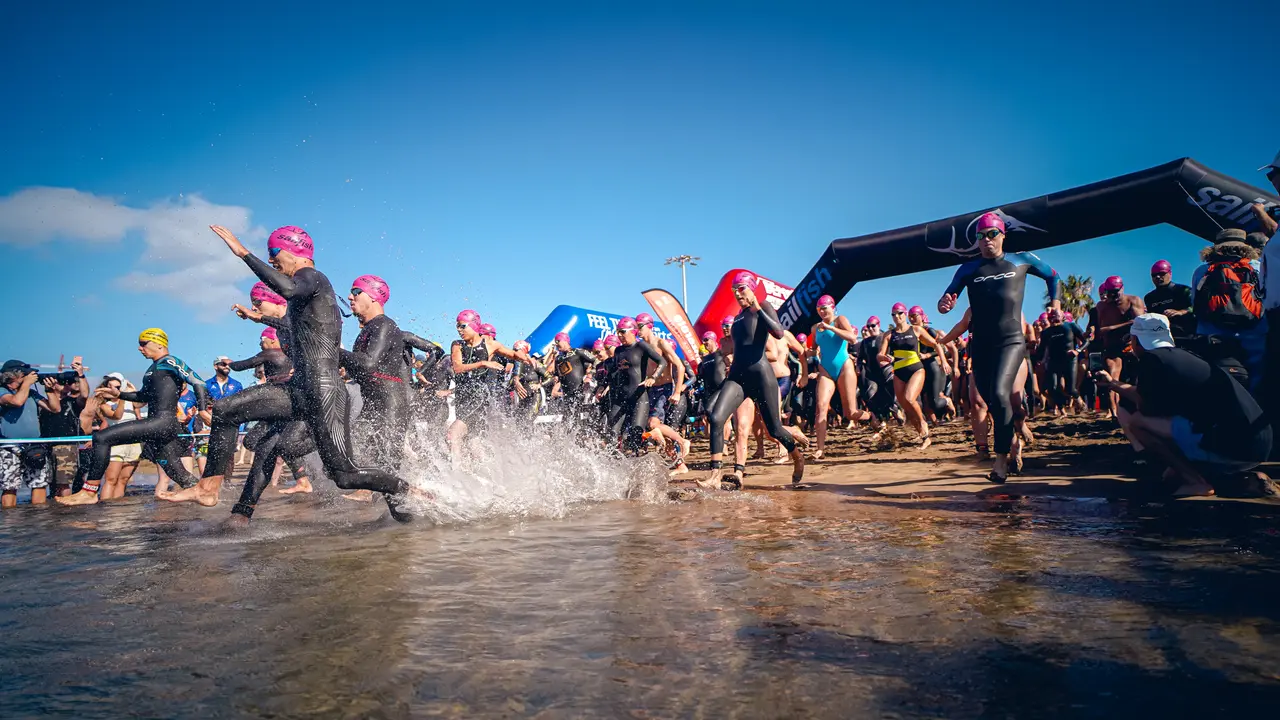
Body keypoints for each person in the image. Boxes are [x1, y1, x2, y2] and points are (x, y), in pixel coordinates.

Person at [168, 225, 420, 523]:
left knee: (345, 475)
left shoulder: (313, 277)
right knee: (224, 410)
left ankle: (409, 491)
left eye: (274, 255)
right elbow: (293, 323)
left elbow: (287, 289)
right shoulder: (305, 295)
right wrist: (259, 317)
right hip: (300, 388)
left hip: (325, 392)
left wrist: (243, 253)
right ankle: (208, 487)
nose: (273, 262)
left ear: (292, 251)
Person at [938, 211, 1060, 483]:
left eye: (992, 234)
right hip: (980, 344)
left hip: (1010, 341)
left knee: (1000, 393)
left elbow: (1053, 277)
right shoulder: (969, 269)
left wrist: (1055, 303)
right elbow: (947, 298)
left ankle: (1000, 462)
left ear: (1003, 235)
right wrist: (944, 304)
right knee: (989, 401)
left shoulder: (1021, 260)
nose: (986, 240)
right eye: (981, 236)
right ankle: (1013, 438)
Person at [1102, 314, 1272, 497]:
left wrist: (1113, 386)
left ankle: (1196, 483)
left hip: (1232, 444)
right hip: (1259, 443)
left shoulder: (1152, 360)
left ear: (1135, 340)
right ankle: (1230, 478)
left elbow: (1145, 408)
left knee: (1137, 422)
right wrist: (1112, 383)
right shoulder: (1182, 357)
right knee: (1171, 474)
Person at [56, 329, 209, 506]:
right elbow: (143, 396)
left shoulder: (170, 361)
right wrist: (118, 393)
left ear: (159, 343)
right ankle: (206, 494)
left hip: (162, 422)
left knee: (102, 437)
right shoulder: (153, 369)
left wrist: (203, 410)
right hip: (160, 426)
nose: (139, 348)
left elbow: (198, 382)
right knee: (173, 469)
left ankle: (89, 492)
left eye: (144, 343)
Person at [703, 272, 807, 489]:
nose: (738, 294)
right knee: (716, 417)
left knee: (774, 430)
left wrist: (757, 308)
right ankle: (715, 475)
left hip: (761, 376)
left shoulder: (763, 307)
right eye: (734, 290)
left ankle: (797, 456)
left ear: (751, 288)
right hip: (738, 378)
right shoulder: (738, 319)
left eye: (742, 288)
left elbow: (778, 333)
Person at [449, 309, 530, 466]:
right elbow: (457, 367)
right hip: (462, 397)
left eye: (462, 326)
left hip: (479, 397)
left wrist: (522, 355)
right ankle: (491, 476)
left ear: (474, 325)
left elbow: (512, 355)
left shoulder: (490, 344)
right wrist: (483, 363)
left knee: (453, 434)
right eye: (457, 326)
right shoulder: (457, 345)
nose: (459, 330)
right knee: (474, 442)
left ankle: (456, 475)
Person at [1191, 228, 1266, 390]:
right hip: (1254, 336)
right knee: (1255, 380)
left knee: (1215, 380)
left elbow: (1195, 304)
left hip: (1213, 336)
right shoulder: (1258, 267)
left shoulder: (1202, 271)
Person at [878, 302, 949, 449]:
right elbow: (880, 354)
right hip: (898, 371)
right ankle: (923, 436)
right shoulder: (889, 335)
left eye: (900, 313)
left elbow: (936, 345)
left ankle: (924, 425)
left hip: (916, 369)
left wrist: (943, 361)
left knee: (910, 398)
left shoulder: (916, 330)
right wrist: (884, 358)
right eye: (893, 314)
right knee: (906, 407)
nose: (897, 316)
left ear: (905, 314)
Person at [808, 295, 866, 460]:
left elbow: (853, 338)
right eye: (819, 308)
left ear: (833, 307)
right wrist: (807, 352)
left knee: (851, 413)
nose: (822, 311)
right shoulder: (815, 328)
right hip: (825, 369)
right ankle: (820, 449)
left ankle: (873, 417)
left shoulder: (839, 319)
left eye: (825, 307)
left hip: (844, 366)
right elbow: (814, 348)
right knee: (821, 407)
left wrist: (831, 328)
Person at [635, 314, 691, 475]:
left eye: (640, 326)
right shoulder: (642, 347)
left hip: (664, 388)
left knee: (654, 424)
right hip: (650, 389)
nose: (638, 330)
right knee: (659, 431)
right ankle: (680, 465)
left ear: (649, 326)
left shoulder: (661, 343)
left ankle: (683, 441)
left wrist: (678, 391)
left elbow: (679, 366)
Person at [0, 360, 62, 507]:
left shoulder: (31, 393)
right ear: (13, 376)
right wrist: (27, 383)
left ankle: (38, 519)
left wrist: (50, 391)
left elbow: (55, 409)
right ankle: (10, 521)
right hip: (9, 447)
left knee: (39, 483)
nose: (30, 377)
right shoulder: (2, 392)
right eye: (25, 374)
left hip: (34, 445)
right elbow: (17, 401)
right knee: (10, 486)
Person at [1251, 155, 1280, 454]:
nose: (1271, 181)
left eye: (1274, 174)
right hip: (1273, 315)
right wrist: (1260, 212)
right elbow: (1275, 233)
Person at [1086, 276, 1144, 419]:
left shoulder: (1133, 301)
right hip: (1112, 347)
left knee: (1136, 379)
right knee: (1111, 378)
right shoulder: (1102, 306)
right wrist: (1093, 330)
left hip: (1131, 345)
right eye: (1110, 292)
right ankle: (1114, 413)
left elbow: (1141, 324)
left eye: (1115, 292)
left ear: (1122, 288)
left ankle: (1139, 410)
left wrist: (1112, 328)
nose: (1113, 296)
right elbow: (1098, 327)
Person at [95, 373, 143, 500]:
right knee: (111, 479)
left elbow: (142, 402)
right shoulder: (105, 405)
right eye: (110, 387)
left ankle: (118, 508)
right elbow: (117, 416)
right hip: (116, 444)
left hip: (133, 443)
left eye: (117, 387)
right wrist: (122, 397)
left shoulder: (130, 402)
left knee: (123, 479)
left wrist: (134, 392)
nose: (114, 390)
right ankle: (106, 507)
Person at [1035, 309, 1086, 415]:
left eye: (1056, 316)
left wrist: (1078, 351)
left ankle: (1079, 400)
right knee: (1052, 388)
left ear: (1063, 316)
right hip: (1054, 361)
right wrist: (1039, 361)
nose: (1054, 318)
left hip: (1070, 360)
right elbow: (1041, 348)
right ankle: (1062, 409)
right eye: (1051, 316)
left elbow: (1086, 341)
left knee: (1070, 389)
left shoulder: (1071, 326)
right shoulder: (1046, 332)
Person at [1144, 260, 1196, 340]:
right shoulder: (1149, 298)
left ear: (1170, 273)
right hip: (1161, 338)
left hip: (1185, 335)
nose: (1157, 277)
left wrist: (1181, 312)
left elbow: (1197, 307)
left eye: (1161, 274)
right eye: (1154, 275)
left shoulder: (1183, 290)